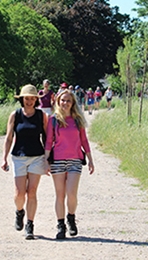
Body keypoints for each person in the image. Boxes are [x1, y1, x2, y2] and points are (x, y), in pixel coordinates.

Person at [44, 89, 95, 239]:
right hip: (58, 160)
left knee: (71, 194)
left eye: (68, 101)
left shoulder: (78, 120)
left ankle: (71, 218)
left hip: (75, 160)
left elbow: (84, 140)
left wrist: (90, 160)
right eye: (63, 100)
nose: (65, 103)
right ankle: (60, 226)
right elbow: (48, 141)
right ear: (58, 101)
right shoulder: (53, 120)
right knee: (60, 195)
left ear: (72, 103)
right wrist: (46, 161)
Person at [1, 84, 48, 240]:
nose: (29, 101)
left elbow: (47, 139)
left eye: (32, 98)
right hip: (19, 157)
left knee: (32, 191)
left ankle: (30, 224)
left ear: (36, 100)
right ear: (22, 99)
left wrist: (48, 159)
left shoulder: (42, 116)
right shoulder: (15, 115)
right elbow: (8, 138)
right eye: (27, 98)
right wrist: (4, 157)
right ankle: (19, 211)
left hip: (37, 157)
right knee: (20, 193)